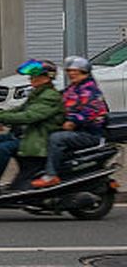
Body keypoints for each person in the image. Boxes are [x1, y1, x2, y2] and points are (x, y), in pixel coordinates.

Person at [36, 54, 111, 187]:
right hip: (77, 130)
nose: (71, 74)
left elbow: (90, 111)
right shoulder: (73, 88)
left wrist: (73, 121)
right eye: (69, 71)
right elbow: (59, 100)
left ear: (84, 72)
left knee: (56, 138)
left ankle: (51, 175)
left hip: (89, 133)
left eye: (74, 71)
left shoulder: (89, 89)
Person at [0, 59, 63, 190]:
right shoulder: (37, 93)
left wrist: (0, 118)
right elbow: (20, 109)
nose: (31, 78)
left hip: (38, 138)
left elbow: (29, 116)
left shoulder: (50, 96)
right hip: (28, 134)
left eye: (35, 76)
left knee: (3, 148)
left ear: (46, 78)